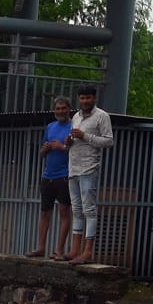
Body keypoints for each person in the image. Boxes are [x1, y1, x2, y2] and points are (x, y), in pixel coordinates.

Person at [66, 85, 114, 264]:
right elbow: (72, 141)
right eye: (82, 98)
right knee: (76, 209)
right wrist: (69, 141)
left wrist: (86, 136)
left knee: (89, 210)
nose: (85, 101)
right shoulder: (76, 117)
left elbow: (109, 142)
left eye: (88, 98)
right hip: (73, 168)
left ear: (94, 98)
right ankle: (74, 250)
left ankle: (87, 252)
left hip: (89, 168)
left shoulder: (102, 116)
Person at [27, 97, 75, 259]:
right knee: (45, 212)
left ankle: (59, 250)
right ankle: (40, 247)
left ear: (69, 109)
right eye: (58, 109)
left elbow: (78, 152)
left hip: (65, 175)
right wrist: (46, 149)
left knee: (64, 211)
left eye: (63, 108)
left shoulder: (74, 127)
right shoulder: (50, 127)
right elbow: (41, 153)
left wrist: (61, 147)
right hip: (48, 175)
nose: (60, 111)